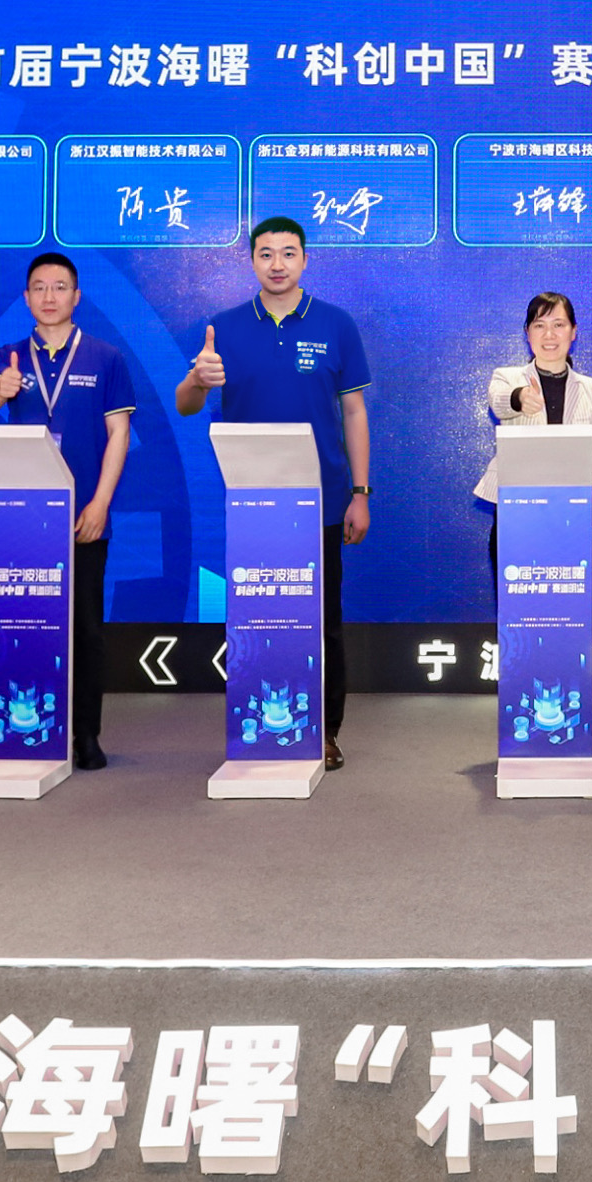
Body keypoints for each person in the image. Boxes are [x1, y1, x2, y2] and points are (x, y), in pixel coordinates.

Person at [175, 217, 371, 770]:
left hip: (322, 499)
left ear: (304, 259)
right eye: (266, 254)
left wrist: (360, 492)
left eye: (288, 253)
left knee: (323, 621)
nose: (277, 264)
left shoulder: (336, 323)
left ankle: (324, 731)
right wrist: (198, 379)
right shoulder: (223, 327)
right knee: (256, 619)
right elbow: (186, 405)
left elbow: (354, 413)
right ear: (252, 262)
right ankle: (259, 722)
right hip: (252, 502)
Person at [0, 251, 135, 771]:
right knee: (24, 625)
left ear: (76, 296)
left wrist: (100, 503)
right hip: (24, 518)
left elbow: (118, 434)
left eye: (60, 287)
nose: (50, 296)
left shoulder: (105, 357)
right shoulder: (8, 355)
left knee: (86, 630)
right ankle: (30, 728)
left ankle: (86, 734)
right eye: (40, 288)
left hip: (84, 514)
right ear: (26, 298)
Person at [472, 292, 592, 567]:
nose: (549, 334)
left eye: (558, 324)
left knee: (568, 595)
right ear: (527, 333)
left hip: (574, 516)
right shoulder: (507, 378)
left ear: (574, 331)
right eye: (539, 325)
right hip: (516, 515)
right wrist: (519, 397)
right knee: (516, 594)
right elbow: (499, 401)